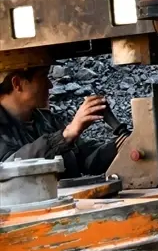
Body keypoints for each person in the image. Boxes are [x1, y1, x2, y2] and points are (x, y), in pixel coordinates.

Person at [0, 50, 118, 178]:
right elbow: (10, 168)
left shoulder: (46, 121)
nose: (50, 85)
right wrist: (65, 136)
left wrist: (122, 145)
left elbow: (86, 159)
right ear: (17, 84)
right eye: (43, 76)